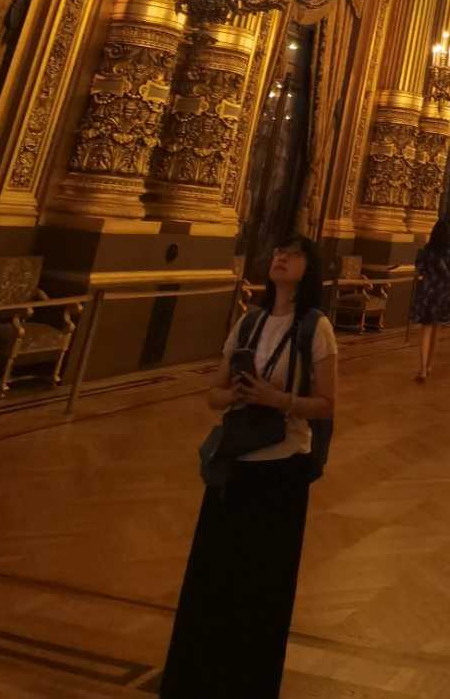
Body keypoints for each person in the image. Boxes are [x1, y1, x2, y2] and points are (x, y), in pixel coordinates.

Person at [160, 237, 336, 699]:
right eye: (278, 252)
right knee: (214, 579)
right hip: (234, 466)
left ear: (309, 268)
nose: (280, 257)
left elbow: (327, 404)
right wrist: (234, 394)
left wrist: (278, 400)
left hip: (282, 471)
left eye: (292, 254)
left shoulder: (316, 328)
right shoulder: (249, 322)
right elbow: (213, 394)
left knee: (261, 587)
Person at [411, 217, 450, 383]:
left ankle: (423, 368)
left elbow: (419, 269)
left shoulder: (426, 250)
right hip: (442, 293)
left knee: (426, 329)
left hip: (427, 292)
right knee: (436, 330)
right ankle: (430, 364)